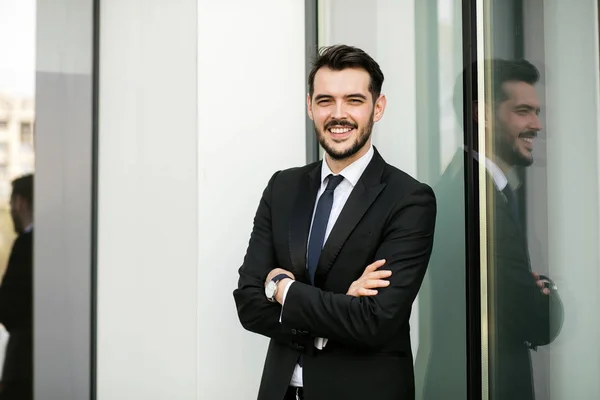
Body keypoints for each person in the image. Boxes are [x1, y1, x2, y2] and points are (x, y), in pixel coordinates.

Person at [233, 44, 436, 400]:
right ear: (309, 106)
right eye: (326, 100)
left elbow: (374, 320)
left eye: (354, 100)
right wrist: (340, 305)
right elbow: (249, 304)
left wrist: (282, 290)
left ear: (379, 107)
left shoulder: (409, 199)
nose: (338, 114)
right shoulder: (283, 186)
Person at [420, 59, 563, 400]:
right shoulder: (476, 201)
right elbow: (533, 318)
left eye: (537, 112)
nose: (537, 125)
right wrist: (548, 293)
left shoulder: (466, 187)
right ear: (482, 114)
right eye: (524, 111)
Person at [0, 174, 34, 400]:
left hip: (22, 367)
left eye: (11, 203)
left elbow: (8, 306)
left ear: (20, 202)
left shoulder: (25, 244)